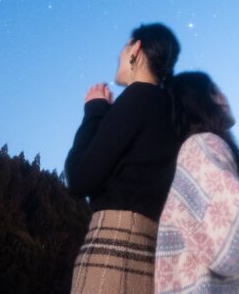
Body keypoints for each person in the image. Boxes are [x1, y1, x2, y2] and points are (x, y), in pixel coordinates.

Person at [65, 23, 181, 293]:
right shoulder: (173, 113)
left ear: (135, 49)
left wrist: (94, 112)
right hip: (152, 256)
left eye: (124, 46)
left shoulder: (137, 98)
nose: (119, 54)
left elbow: (80, 179)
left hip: (113, 253)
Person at [155, 71, 239, 293]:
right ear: (196, 101)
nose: (222, 96)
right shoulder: (201, 146)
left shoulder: (197, 152)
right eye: (212, 91)